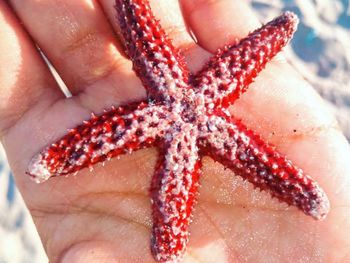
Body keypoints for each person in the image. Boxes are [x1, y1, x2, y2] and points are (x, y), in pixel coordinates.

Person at [1, 1, 350, 262]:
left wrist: (304, 193)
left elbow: (243, 59)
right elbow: (113, 127)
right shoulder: (199, 95)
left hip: (183, 116)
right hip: (186, 116)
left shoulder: (187, 104)